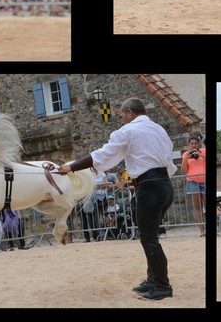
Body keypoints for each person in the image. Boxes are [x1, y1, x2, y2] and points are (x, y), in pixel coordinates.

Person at [57, 98, 176, 300]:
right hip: (164, 186)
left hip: (150, 189)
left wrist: (72, 167)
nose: (120, 120)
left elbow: (102, 155)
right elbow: (155, 158)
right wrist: (137, 180)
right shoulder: (158, 129)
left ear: (129, 112)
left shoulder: (128, 131)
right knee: (150, 236)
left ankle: (162, 285)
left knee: (149, 238)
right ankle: (152, 279)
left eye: (121, 115)